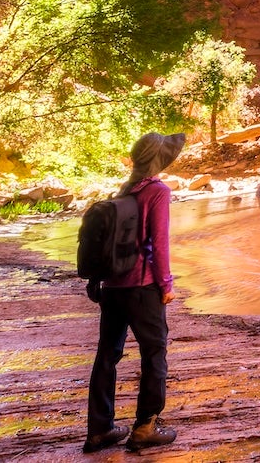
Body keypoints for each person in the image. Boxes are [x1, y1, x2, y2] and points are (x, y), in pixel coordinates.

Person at [87, 131, 184, 453]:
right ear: (160, 161)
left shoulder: (125, 189)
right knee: (154, 354)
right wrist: (166, 284)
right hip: (142, 288)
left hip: (113, 287)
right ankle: (145, 427)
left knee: (107, 355)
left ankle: (100, 429)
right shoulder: (157, 191)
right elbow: (159, 242)